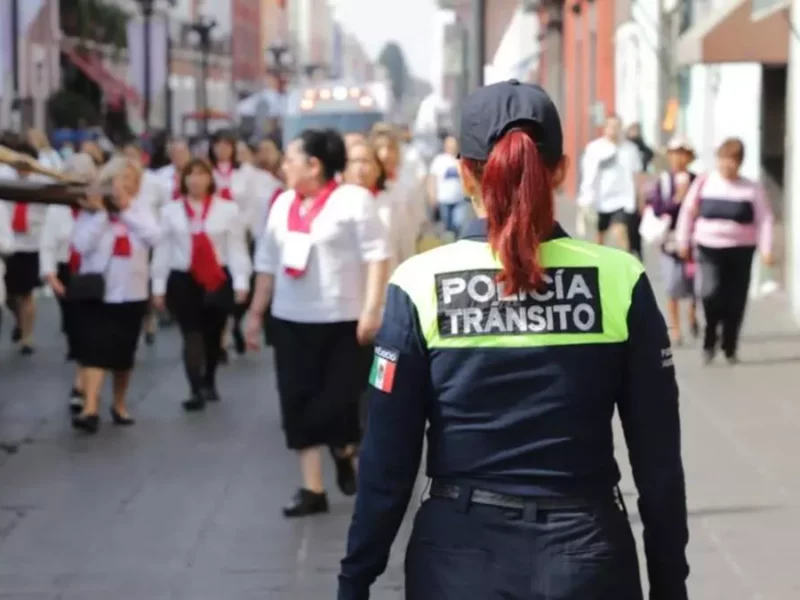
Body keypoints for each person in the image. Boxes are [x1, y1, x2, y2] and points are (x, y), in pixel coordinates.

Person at [338, 80, 689, 600]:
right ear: (562, 170)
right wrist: (669, 583)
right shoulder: (620, 278)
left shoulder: (418, 284)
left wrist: (356, 577)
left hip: (458, 557)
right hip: (587, 553)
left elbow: (387, 458)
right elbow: (658, 456)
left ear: (464, 174)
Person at [246, 128, 389, 518]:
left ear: (314, 164)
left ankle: (343, 449)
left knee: (340, 400)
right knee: (295, 398)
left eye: (290, 159)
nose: (283, 166)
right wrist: (256, 314)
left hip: (343, 318)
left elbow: (378, 256)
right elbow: (266, 264)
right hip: (291, 318)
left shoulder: (352, 201)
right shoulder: (281, 205)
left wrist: (373, 308)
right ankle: (312, 488)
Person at [151, 159, 252, 411]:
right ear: (183, 180)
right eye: (190, 175)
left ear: (209, 179)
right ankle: (194, 388)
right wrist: (158, 287)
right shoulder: (170, 211)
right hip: (183, 278)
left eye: (200, 175)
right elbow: (162, 250)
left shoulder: (227, 209)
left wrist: (241, 281)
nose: (195, 180)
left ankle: (209, 380)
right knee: (191, 333)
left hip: (216, 277)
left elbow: (236, 248)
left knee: (213, 334)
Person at [69, 159, 161, 434]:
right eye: (118, 179)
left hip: (131, 292)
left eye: (130, 179)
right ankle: (90, 408)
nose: (124, 184)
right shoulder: (90, 211)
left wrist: (126, 212)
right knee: (94, 351)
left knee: (123, 354)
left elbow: (154, 238)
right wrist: (100, 215)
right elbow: (81, 245)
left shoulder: (141, 209)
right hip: (98, 293)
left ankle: (119, 403)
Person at [675, 137, 774, 365]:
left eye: (733, 162)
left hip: (741, 250)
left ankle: (730, 344)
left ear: (739, 163)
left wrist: (767, 248)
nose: (727, 166)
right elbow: (688, 212)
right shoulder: (704, 183)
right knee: (709, 293)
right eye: (724, 160)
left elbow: (765, 219)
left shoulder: (751, 189)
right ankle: (710, 336)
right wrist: (683, 241)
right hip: (708, 247)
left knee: (735, 299)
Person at [39, 153, 98, 413]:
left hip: (93, 272)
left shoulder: (100, 206)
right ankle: (81, 378)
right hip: (67, 272)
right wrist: (50, 276)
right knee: (75, 328)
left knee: (91, 328)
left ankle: (81, 385)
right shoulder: (57, 208)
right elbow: (48, 244)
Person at [648, 136, 700, 345]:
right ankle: (676, 328)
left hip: (694, 240)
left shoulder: (697, 180)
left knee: (695, 284)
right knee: (672, 284)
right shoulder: (663, 181)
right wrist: (678, 198)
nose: (678, 159)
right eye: (674, 154)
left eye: (683, 154)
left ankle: (692, 316)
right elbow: (658, 208)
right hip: (669, 240)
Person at [2, 141, 48, 355]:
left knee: (27, 294)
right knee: (9, 294)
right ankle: (20, 320)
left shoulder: (44, 182)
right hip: (6, 243)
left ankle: (27, 339)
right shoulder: (4, 176)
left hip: (31, 243)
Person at [578, 115, 643, 252]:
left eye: (617, 126)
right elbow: (588, 174)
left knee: (620, 231)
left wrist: (639, 198)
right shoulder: (595, 148)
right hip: (600, 200)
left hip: (623, 200)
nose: (614, 130)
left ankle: (626, 264)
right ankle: (598, 264)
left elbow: (637, 174)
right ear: (605, 128)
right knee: (600, 236)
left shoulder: (630, 149)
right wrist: (585, 198)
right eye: (611, 126)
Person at [345, 138, 409, 273]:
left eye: (365, 161)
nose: (359, 168)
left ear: (378, 169)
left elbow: (406, 248)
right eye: (354, 162)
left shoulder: (393, 202)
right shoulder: (336, 203)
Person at [427, 135, 466, 235]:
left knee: (458, 224)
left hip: (459, 199)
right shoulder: (439, 160)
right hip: (444, 199)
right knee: (447, 227)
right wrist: (432, 195)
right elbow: (432, 178)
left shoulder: (461, 159)